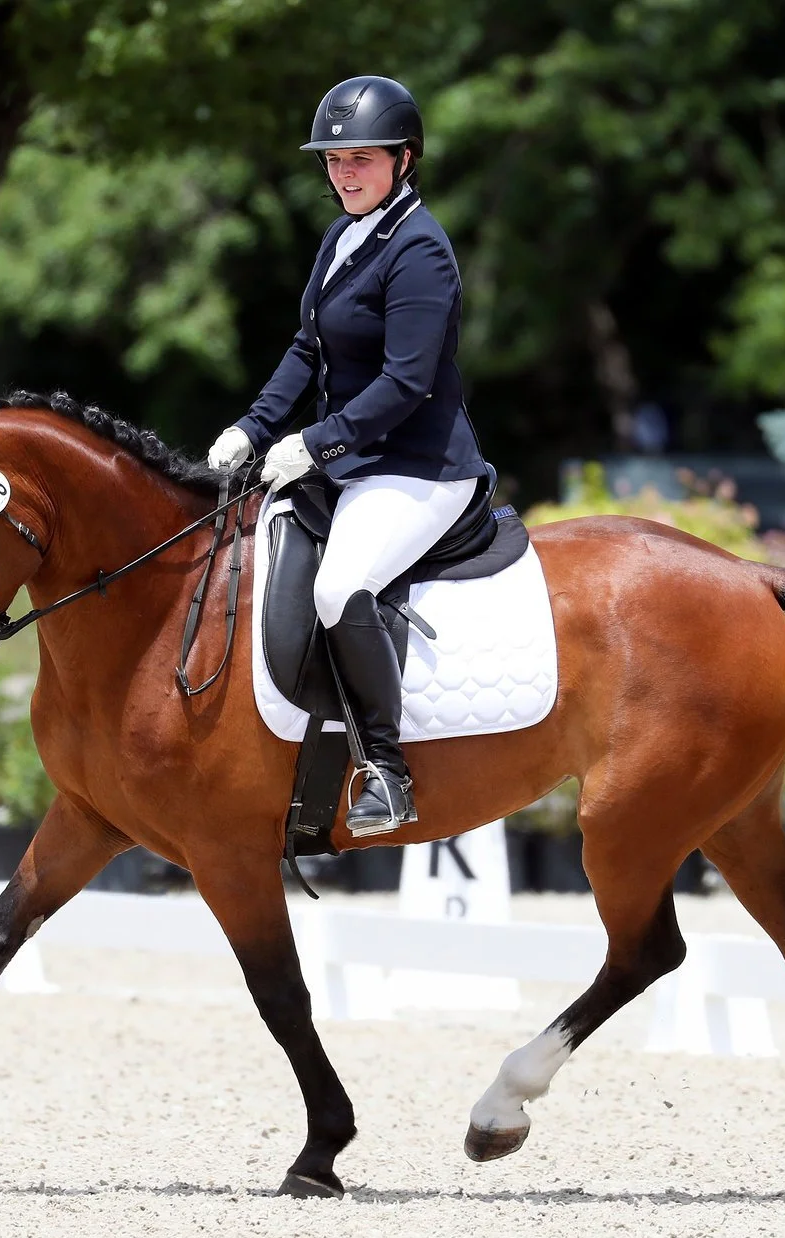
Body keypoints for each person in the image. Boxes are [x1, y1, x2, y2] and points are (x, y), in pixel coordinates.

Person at [207, 74, 487, 838]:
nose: (344, 172)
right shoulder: (343, 237)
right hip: (353, 462)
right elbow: (309, 348)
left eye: (360, 158)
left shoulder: (421, 249)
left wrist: (314, 441)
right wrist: (253, 428)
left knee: (339, 588)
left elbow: (407, 382)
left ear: (404, 159)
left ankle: (388, 774)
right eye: (333, 160)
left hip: (418, 467)